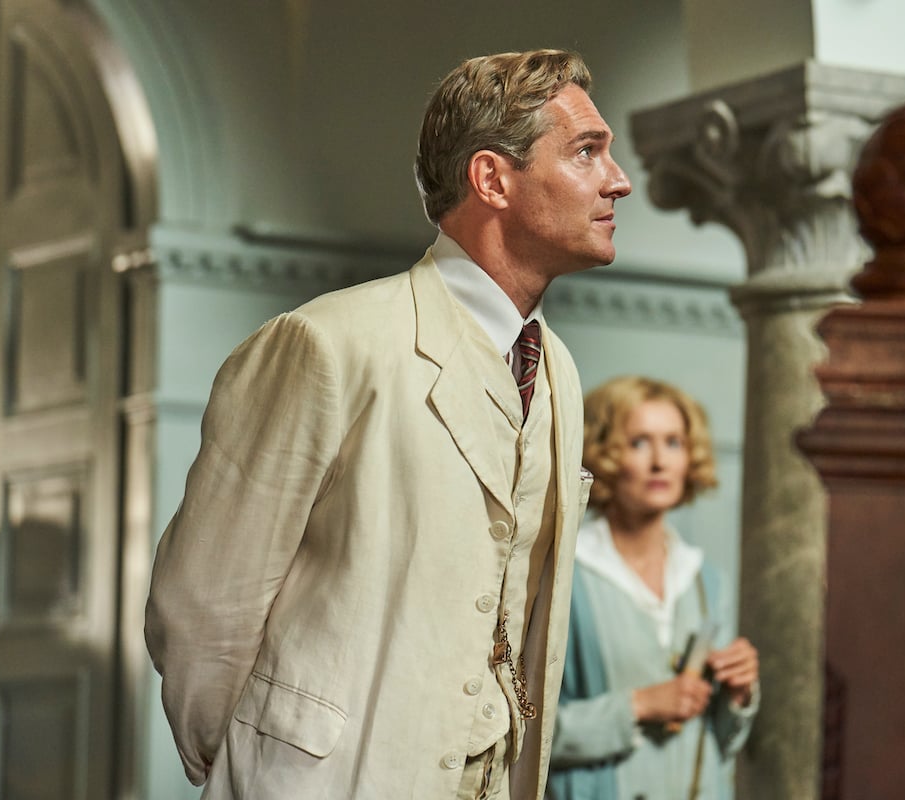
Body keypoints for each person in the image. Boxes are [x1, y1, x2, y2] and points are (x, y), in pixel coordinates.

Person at [144, 49, 631, 800]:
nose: (618, 180)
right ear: (492, 179)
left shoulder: (555, 367)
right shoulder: (326, 344)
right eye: (587, 152)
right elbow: (202, 607)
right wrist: (268, 768)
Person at [546, 376, 760, 800]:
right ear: (603, 453)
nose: (660, 461)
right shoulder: (564, 573)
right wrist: (639, 705)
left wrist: (738, 694)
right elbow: (526, 732)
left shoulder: (707, 580)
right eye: (640, 443)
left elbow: (720, 743)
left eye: (674, 443)